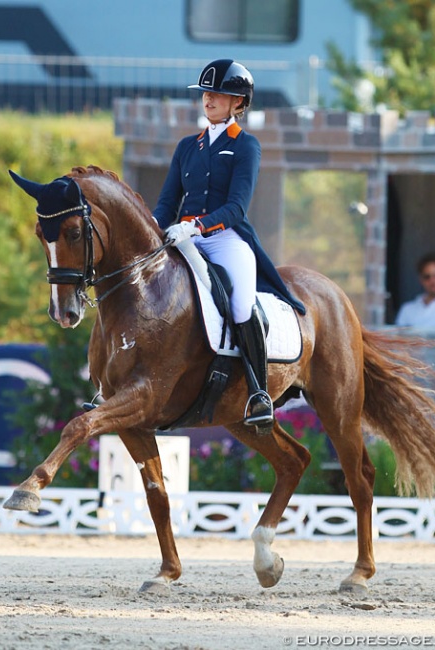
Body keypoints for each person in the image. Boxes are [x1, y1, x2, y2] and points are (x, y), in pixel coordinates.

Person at [153, 59, 305, 429]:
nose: (208, 99)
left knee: (240, 303)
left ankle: (258, 391)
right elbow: (167, 201)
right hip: (181, 238)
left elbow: (236, 207)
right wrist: (156, 228)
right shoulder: (188, 146)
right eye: (205, 93)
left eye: (217, 94)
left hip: (223, 239)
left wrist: (198, 226)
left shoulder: (245, 146)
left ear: (238, 102)